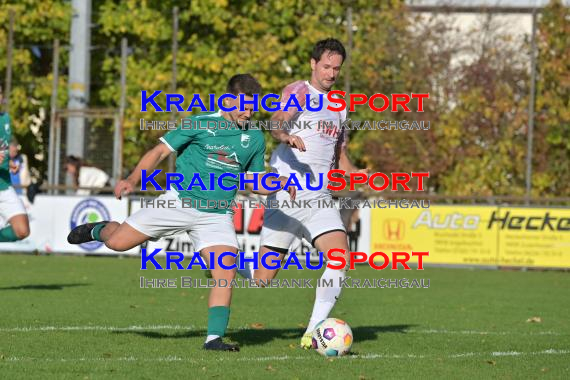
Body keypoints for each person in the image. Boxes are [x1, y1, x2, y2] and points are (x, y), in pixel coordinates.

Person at [67, 74, 295, 352]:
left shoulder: (254, 137)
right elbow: (159, 151)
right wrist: (132, 179)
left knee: (225, 271)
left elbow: (255, 181)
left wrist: (277, 183)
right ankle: (98, 229)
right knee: (117, 243)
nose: (248, 113)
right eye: (244, 107)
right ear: (228, 99)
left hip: (217, 214)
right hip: (178, 202)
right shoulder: (199, 123)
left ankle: (214, 339)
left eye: (252, 108)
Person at [251, 39, 368, 349]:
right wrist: (285, 135)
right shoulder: (298, 91)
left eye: (336, 69)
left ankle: (313, 332)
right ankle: (222, 263)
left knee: (340, 257)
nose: (330, 73)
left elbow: (339, 154)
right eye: (326, 66)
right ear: (313, 64)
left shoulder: (339, 105)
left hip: (318, 196)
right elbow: (276, 122)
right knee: (263, 278)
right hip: (286, 191)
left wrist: (356, 174)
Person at [0, 86, 31, 242]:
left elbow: (2, 149)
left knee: (22, 231)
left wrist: (9, 162)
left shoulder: (5, 119)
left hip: (4, 185)